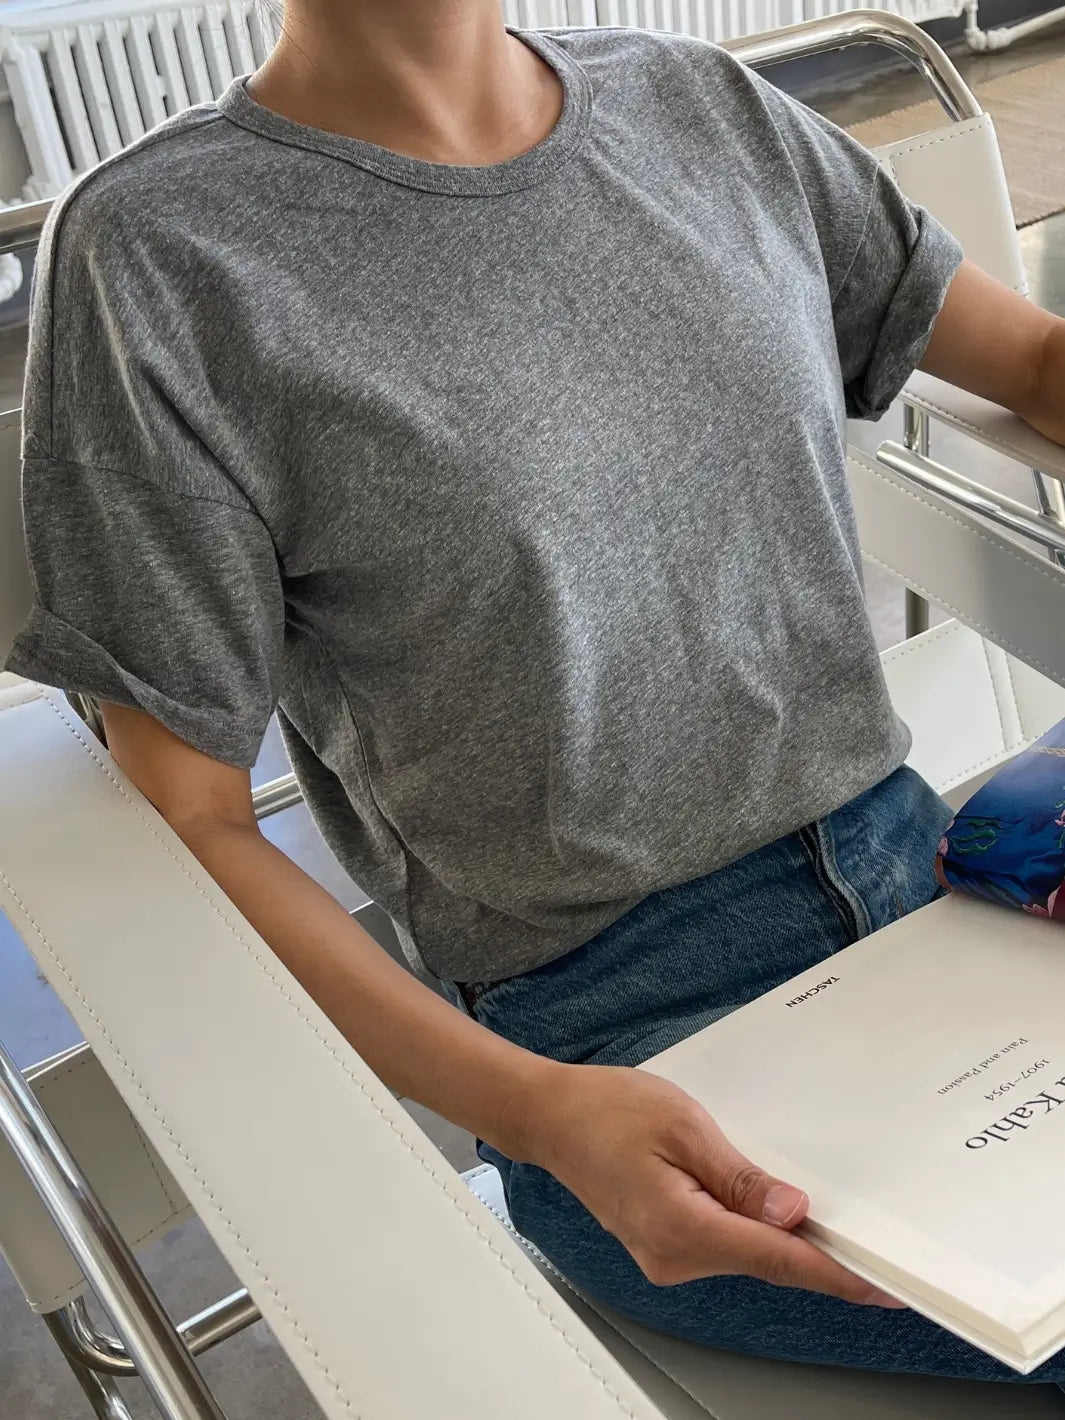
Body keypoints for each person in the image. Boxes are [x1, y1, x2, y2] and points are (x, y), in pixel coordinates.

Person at [6, 0, 1065, 1387]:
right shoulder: (158, 255)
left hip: (950, 900)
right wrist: (537, 1114)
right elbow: (190, 820)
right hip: (625, 1051)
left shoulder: (702, 109)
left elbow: (1031, 363)